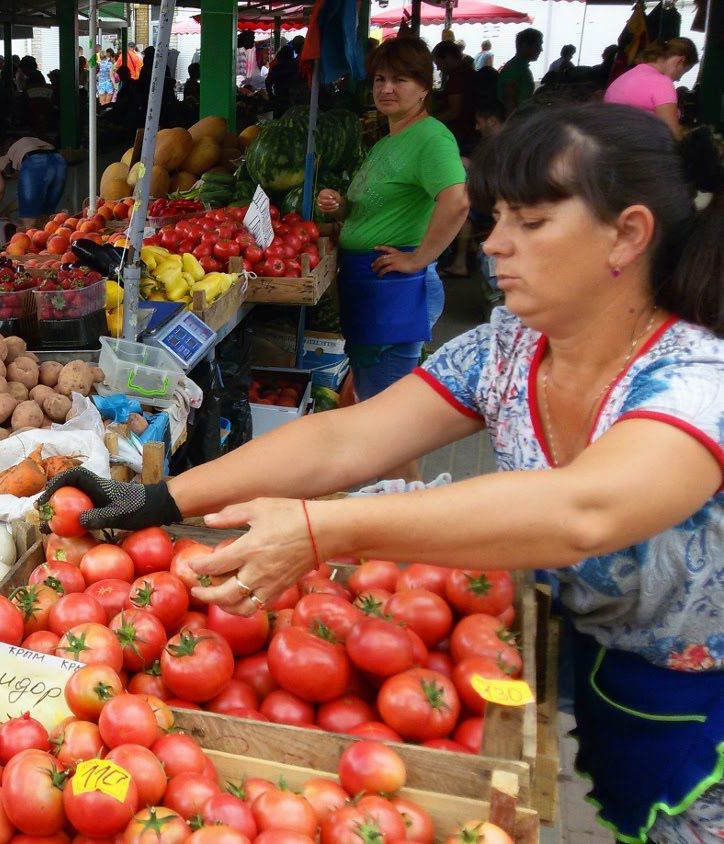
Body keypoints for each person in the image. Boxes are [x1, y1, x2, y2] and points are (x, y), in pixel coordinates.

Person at [40, 102, 724, 844]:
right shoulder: (508, 350)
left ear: (627, 234)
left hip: (702, 702)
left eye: (530, 223)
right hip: (592, 673)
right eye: (496, 219)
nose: (494, 245)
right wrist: (154, 497)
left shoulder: (696, 381)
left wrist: (326, 528)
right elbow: (345, 440)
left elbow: (585, 511)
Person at [316, 37, 469, 479]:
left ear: (425, 87)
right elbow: (384, 208)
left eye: (401, 79)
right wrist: (342, 208)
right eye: (381, 79)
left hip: (392, 287)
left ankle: (406, 514)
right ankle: (396, 507)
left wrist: (418, 258)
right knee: (378, 405)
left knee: (389, 423)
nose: (387, 88)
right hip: (369, 283)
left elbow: (456, 201)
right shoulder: (390, 139)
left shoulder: (430, 138)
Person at [604, 37, 699, 139]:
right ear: (680, 61)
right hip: (637, 149)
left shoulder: (625, 77)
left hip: (612, 145)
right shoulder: (662, 82)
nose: (678, 79)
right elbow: (672, 134)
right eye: (683, 72)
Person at [0, 136, 65, 231]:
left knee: (31, 230)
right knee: (47, 223)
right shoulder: (16, 146)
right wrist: (6, 211)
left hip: (33, 160)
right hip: (58, 160)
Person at [431, 40, 476, 152]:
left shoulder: (458, 77)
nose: (438, 68)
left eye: (438, 63)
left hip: (460, 134)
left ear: (447, 58)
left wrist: (429, 122)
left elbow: (454, 112)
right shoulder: (466, 70)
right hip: (467, 132)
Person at [500, 28, 543, 113]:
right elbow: (509, 101)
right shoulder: (515, 68)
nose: (541, 49)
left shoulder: (520, 67)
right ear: (525, 45)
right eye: (537, 45)